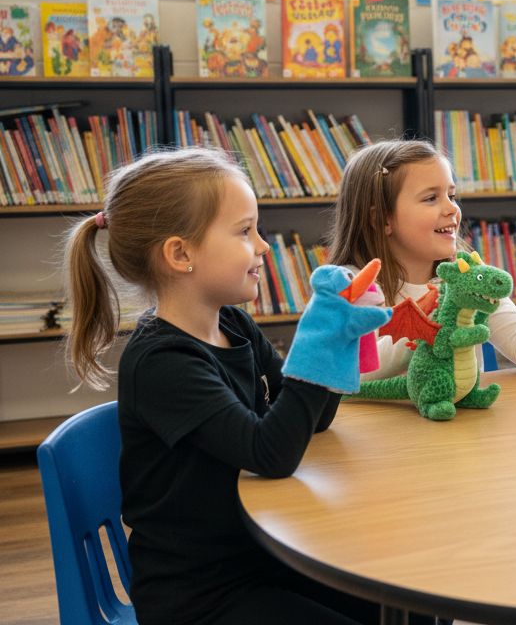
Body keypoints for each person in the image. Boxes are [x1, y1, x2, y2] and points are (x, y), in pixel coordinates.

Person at [62, 148, 380, 625]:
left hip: (261, 554)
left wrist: (338, 341)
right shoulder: (162, 361)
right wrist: (315, 347)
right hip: (198, 595)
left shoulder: (233, 323)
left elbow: (315, 420)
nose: (264, 246)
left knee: (400, 603)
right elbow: (270, 453)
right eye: (244, 231)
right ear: (180, 253)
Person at [327, 138, 516, 378]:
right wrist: (431, 315)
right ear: (381, 219)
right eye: (431, 198)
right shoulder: (351, 286)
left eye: (451, 195)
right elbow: (352, 374)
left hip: (460, 429)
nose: (452, 209)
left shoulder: (468, 279)